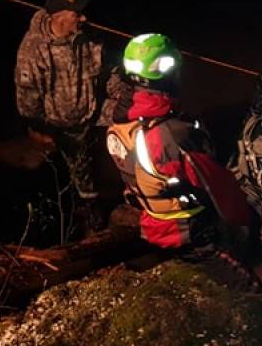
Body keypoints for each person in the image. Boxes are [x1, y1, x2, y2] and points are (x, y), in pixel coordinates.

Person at [105, 33, 251, 254]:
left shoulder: (122, 120)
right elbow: (219, 189)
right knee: (246, 283)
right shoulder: (171, 133)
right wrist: (244, 220)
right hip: (187, 230)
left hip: (151, 220)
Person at [15, 0, 128, 223]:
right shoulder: (34, 49)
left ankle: (144, 186)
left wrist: (124, 97)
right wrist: (38, 127)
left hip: (94, 107)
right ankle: (90, 208)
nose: (83, 19)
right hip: (62, 121)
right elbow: (27, 94)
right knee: (80, 167)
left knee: (135, 118)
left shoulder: (88, 38)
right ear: (59, 17)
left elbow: (108, 73)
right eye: (77, 14)